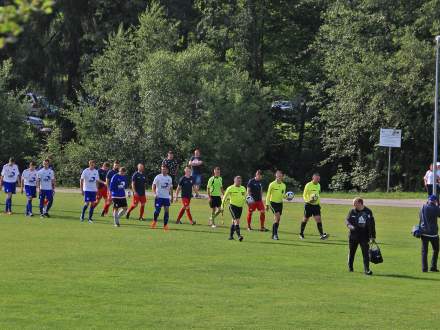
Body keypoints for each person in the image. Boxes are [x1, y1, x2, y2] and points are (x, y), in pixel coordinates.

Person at [345, 197, 376, 275]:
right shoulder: (352, 211)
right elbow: (347, 221)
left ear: (360, 203)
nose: (353, 205)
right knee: (352, 252)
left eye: (355, 203)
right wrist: (349, 226)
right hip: (353, 236)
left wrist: (373, 236)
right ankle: (350, 268)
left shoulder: (368, 212)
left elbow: (372, 225)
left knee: (365, 254)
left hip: (365, 237)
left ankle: (367, 270)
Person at [300, 173, 329, 240]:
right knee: (305, 219)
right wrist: (308, 201)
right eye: (316, 179)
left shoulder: (319, 185)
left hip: (316, 206)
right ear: (313, 178)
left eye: (319, 179)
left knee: (318, 219)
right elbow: (304, 195)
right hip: (308, 205)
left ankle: (322, 235)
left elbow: (317, 195)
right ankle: (301, 233)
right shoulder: (308, 185)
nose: (318, 180)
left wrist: (318, 203)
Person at [221, 176, 246, 241]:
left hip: (240, 207)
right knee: (237, 221)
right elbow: (224, 197)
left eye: (240, 181)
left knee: (233, 222)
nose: (239, 182)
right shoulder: (230, 188)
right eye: (238, 181)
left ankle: (231, 236)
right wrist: (222, 206)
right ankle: (239, 236)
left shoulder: (243, 188)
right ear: (234, 181)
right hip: (232, 207)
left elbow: (245, 197)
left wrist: (247, 202)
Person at [419, 195, 439, 272]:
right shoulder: (436, 208)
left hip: (424, 232)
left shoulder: (423, 207)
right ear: (435, 201)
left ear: (428, 200)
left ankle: (424, 268)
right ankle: (433, 267)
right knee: (436, 250)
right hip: (434, 234)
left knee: (424, 251)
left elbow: (420, 217)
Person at [265, 170, 286, 240]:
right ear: (276, 176)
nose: (279, 177)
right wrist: (267, 204)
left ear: (282, 176)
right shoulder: (272, 184)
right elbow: (268, 194)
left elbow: (283, 195)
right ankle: (275, 235)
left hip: (280, 203)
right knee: (277, 218)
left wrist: (287, 197)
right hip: (273, 203)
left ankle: (273, 235)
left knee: (278, 219)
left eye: (281, 176)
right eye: (278, 176)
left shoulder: (283, 185)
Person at [151, 165, 173, 230]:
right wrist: (154, 193)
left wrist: (171, 196)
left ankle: (165, 225)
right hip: (159, 197)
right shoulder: (158, 177)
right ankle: (154, 221)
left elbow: (171, 188)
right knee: (157, 211)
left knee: (166, 211)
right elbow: (153, 185)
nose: (163, 170)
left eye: (164, 169)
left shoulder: (169, 178)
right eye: (162, 169)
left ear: (167, 170)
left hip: (166, 197)